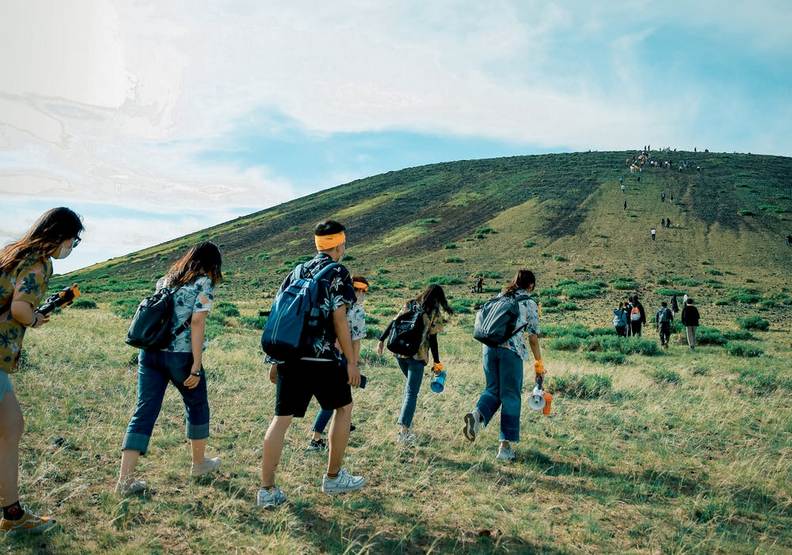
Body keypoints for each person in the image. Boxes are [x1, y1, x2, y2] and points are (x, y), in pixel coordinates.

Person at [258, 220, 363, 508]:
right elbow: (340, 318)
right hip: (322, 358)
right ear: (340, 244)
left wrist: (275, 359)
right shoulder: (338, 271)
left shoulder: (297, 270)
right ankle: (333, 477)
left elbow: (279, 313)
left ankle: (266, 490)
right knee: (344, 408)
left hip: (290, 356)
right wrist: (351, 362)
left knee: (281, 420)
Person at [0, 207, 83, 534]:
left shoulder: (13, 253)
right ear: (60, 237)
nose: (70, 248)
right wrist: (33, 318)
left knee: (11, 426)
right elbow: (20, 308)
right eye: (72, 242)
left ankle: (13, 513)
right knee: (10, 427)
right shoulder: (38, 262)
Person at [117, 242, 223, 496]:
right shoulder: (203, 283)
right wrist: (196, 365)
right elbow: (197, 323)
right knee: (196, 403)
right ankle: (199, 463)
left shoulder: (165, 280)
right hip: (180, 356)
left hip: (150, 353)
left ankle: (125, 480)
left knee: (144, 410)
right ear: (213, 264)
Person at [462, 270, 542, 462]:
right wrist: (539, 362)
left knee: (492, 390)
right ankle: (505, 448)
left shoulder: (500, 296)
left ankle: (477, 415)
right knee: (511, 396)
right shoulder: (528, 302)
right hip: (511, 351)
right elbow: (532, 337)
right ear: (530, 285)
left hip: (489, 348)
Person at [378, 285, 452, 445]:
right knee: (412, 393)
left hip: (400, 353)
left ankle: (406, 422)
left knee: (409, 390)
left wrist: (381, 340)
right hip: (417, 356)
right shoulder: (434, 312)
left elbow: (393, 322)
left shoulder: (409, 303)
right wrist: (437, 361)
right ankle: (403, 432)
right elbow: (433, 340)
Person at [307, 276, 369, 451]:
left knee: (340, 400)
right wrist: (353, 364)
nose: (362, 294)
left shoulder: (332, 303)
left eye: (364, 291)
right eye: (360, 290)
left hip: (322, 355)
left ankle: (344, 425)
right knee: (334, 401)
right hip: (340, 359)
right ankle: (316, 439)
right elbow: (355, 340)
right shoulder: (357, 310)